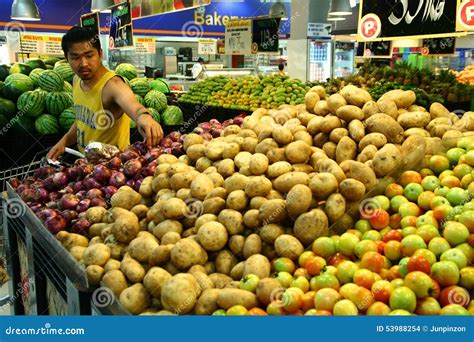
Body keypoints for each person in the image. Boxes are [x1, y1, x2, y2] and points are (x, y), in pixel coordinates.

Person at [47, 26, 163, 160]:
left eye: (89, 55)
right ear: (66, 58)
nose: (84, 63)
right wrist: (64, 141)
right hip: (87, 167)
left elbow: (134, 106)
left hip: (114, 171)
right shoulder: (76, 80)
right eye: (75, 57)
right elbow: (82, 121)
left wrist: (144, 117)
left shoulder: (113, 85)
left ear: (100, 54)